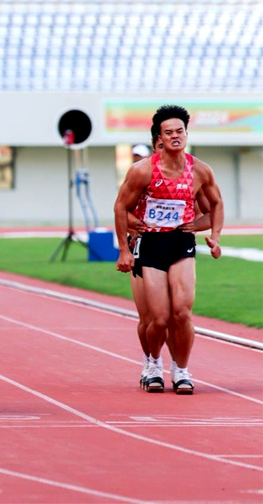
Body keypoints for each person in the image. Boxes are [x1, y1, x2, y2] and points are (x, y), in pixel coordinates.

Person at [115, 105, 224, 393]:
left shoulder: (198, 171)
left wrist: (211, 233)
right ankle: (152, 363)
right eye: (168, 133)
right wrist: (124, 246)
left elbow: (213, 207)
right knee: (154, 318)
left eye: (179, 131)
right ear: (158, 140)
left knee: (181, 313)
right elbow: (120, 208)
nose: (174, 137)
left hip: (179, 242)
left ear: (186, 134)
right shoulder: (141, 173)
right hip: (145, 243)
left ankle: (181, 369)